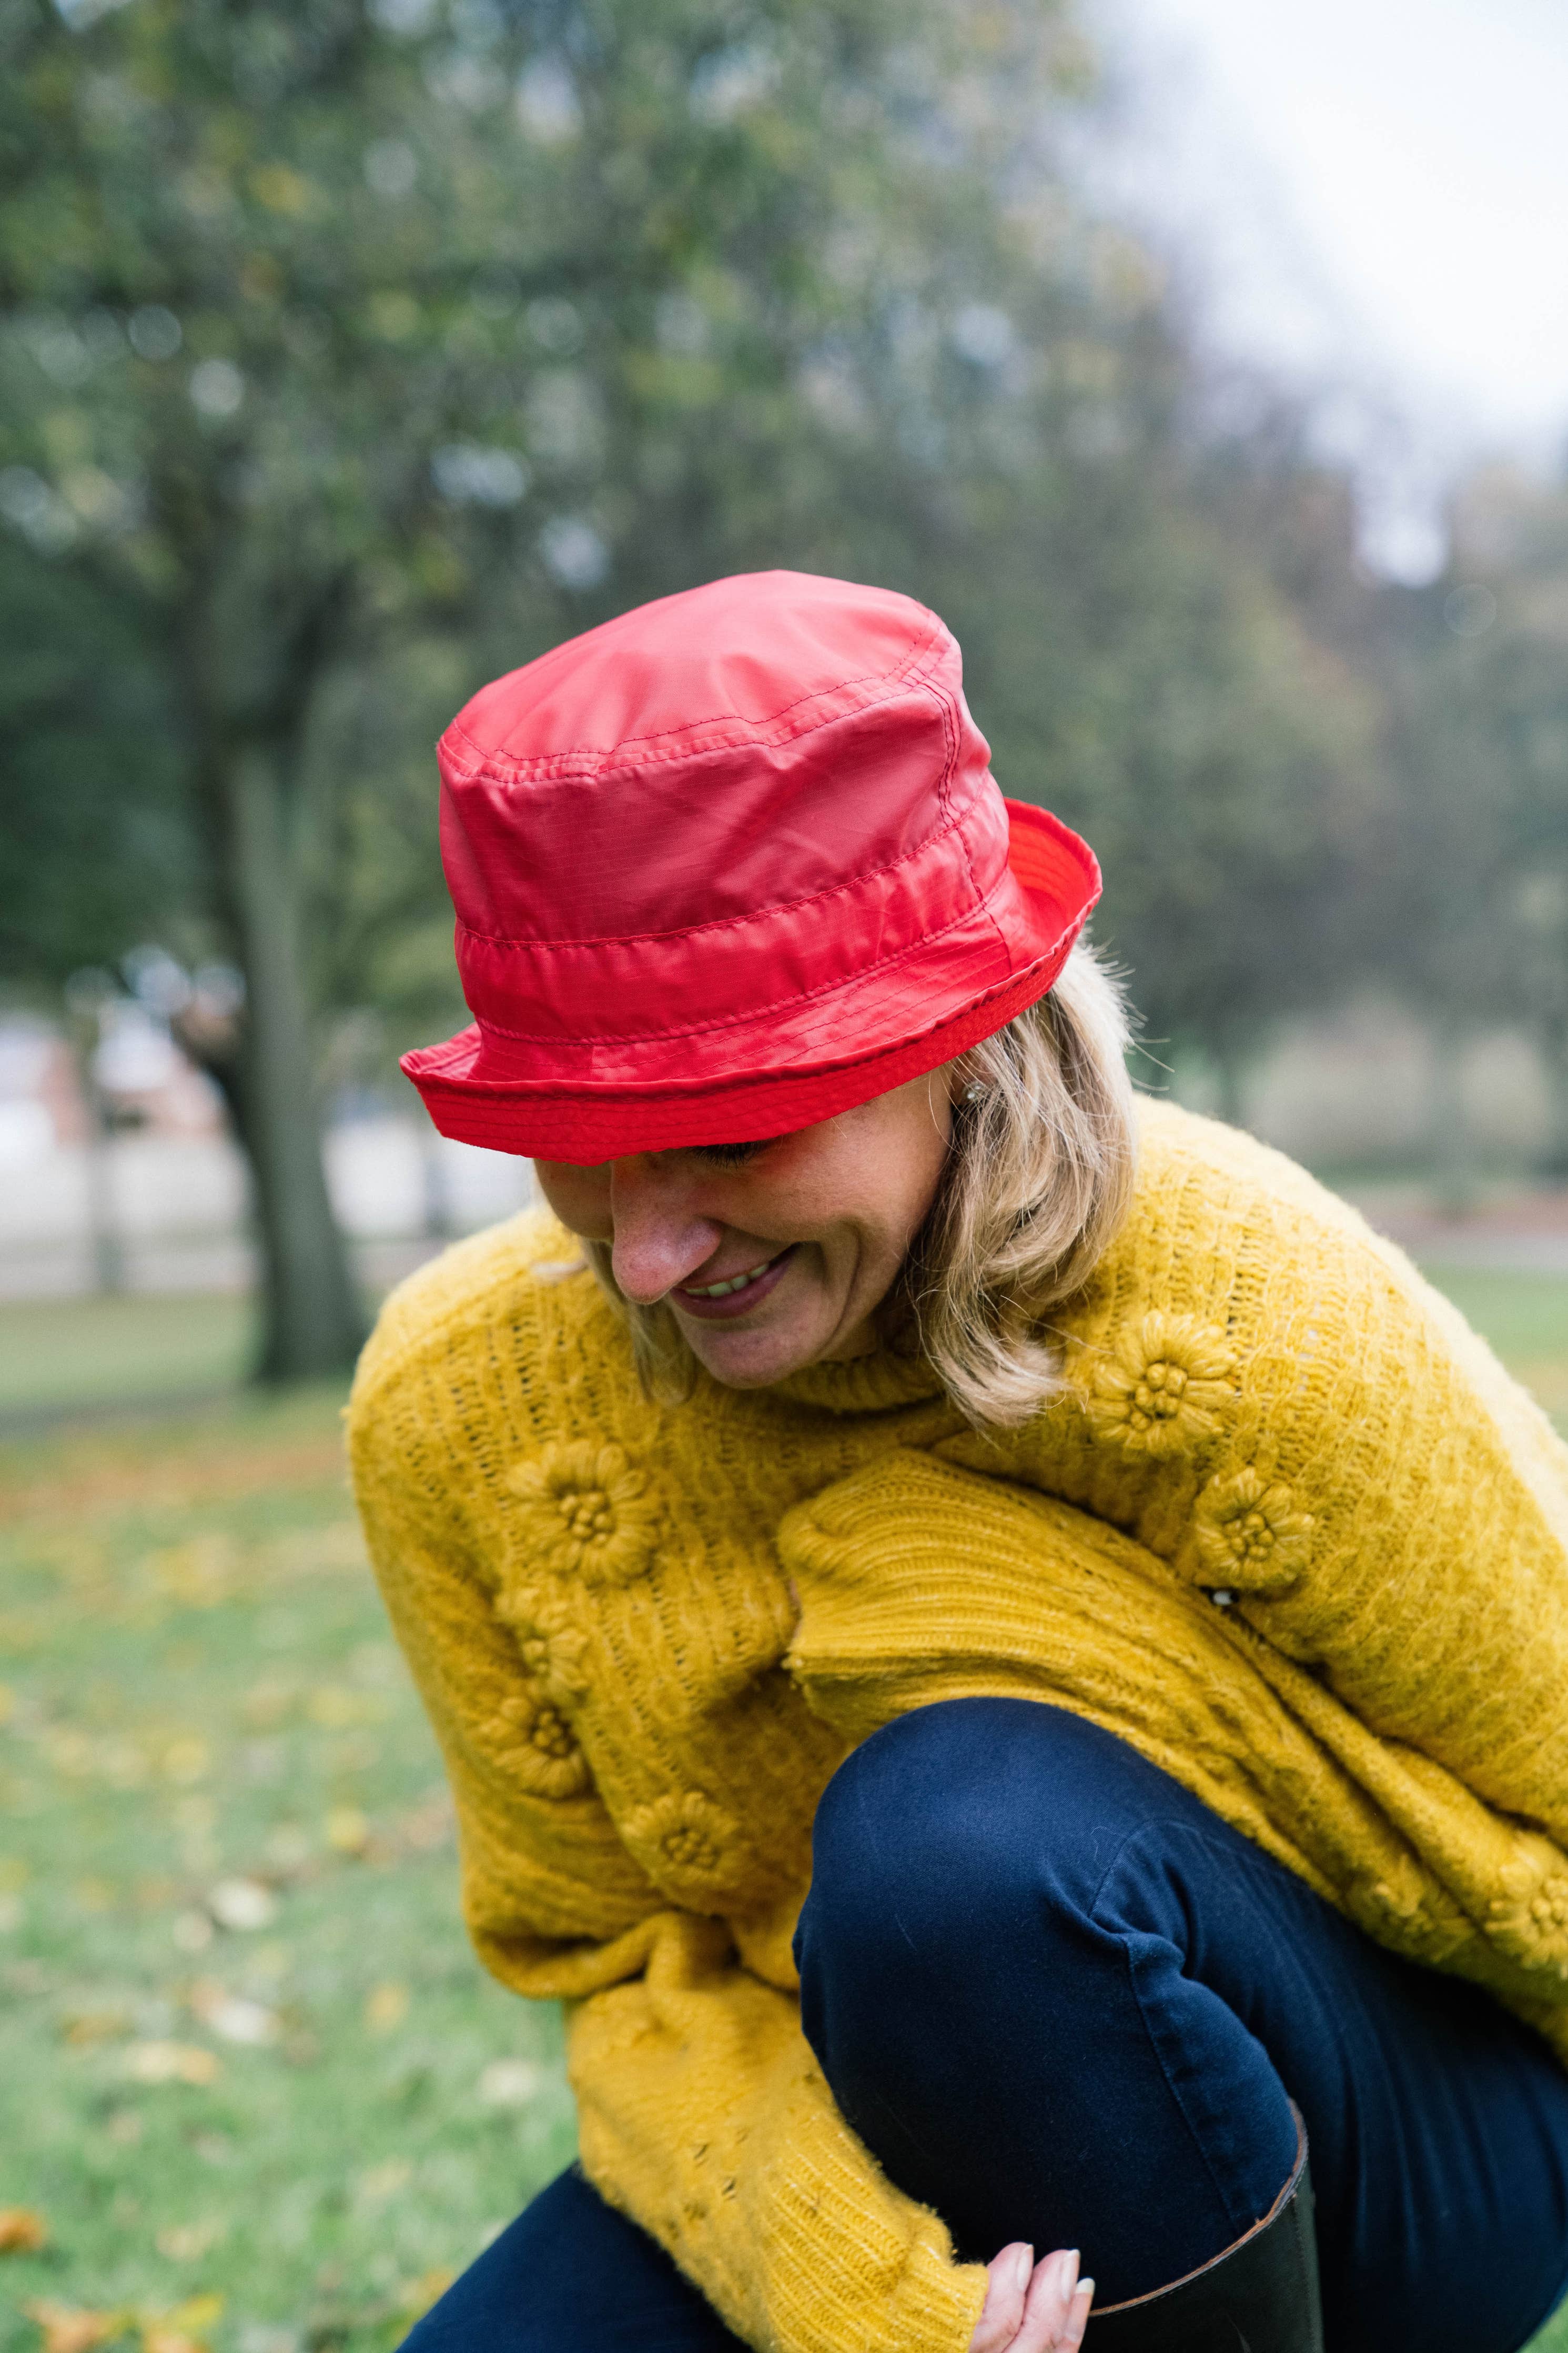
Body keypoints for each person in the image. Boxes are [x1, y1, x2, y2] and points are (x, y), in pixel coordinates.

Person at [348, 571, 1568, 2353]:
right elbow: (615, 1971)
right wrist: (856, 2293)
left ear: (961, 1047)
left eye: (729, 1133)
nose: (646, 1255)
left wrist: (1092, 1655)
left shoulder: (1250, 1318)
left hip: (1404, 2111)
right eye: (575, 1141)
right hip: (863, 2101)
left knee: (952, 1857)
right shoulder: (454, 1413)